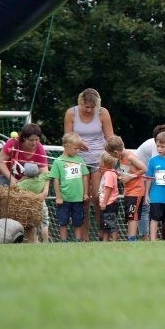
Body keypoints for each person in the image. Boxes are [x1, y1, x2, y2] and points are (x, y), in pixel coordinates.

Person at [64, 88, 114, 239]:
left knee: (97, 197)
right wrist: (79, 143)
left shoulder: (102, 113)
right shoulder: (71, 113)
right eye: (86, 107)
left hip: (98, 159)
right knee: (82, 198)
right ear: (81, 104)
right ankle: (83, 237)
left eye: (93, 107)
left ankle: (102, 233)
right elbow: (67, 138)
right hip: (77, 160)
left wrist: (112, 157)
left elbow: (110, 138)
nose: (90, 110)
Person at [105, 135, 147, 241]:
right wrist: (120, 174)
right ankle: (131, 237)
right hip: (128, 191)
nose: (112, 157)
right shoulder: (121, 158)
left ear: (116, 152)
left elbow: (144, 169)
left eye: (111, 155)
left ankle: (132, 239)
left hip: (136, 191)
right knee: (129, 215)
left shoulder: (130, 157)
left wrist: (129, 177)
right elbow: (128, 171)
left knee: (132, 215)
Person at [50, 132, 89, 242]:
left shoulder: (80, 160)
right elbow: (55, 180)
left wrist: (85, 193)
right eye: (76, 148)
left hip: (78, 198)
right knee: (63, 221)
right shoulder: (58, 162)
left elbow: (85, 176)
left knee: (78, 221)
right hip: (64, 199)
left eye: (79, 148)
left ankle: (77, 241)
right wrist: (58, 196)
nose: (78, 151)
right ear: (67, 147)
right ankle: (63, 241)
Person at [134, 124, 165, 240]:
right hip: (140, 173)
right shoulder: (157, 148)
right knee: (144, 206)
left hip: (147, 173)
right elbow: (157, 170)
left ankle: (164, 237)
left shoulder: (163, 145)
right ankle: (146, 237)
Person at [16, 162, 50, 243]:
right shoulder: (42, 179)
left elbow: (15, 186)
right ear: (37, 171)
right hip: (41, 203)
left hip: (30, 205)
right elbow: (48, 174)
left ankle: (35, 241)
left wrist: (23, 178)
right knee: (44, 223)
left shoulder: (22, 184)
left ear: (25, 173)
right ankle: (46, 241)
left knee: (33, 224)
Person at [98, 152, 120, 242]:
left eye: (100, 161)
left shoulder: (109, 174)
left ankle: (115, 241)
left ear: (105, 163)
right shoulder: (110, 173)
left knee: (111, 224)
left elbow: (108, 189)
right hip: (108, 203)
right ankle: (105, 242)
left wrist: (104, 203)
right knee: (106, 225)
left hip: (109, 204)